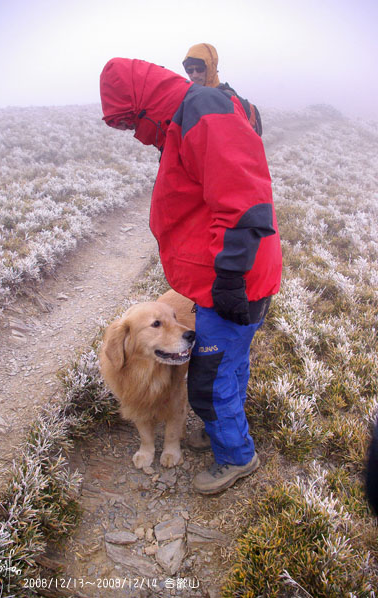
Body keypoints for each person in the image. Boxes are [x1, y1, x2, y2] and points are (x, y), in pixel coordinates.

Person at [100, 58, 282, 494]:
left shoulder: (201, 110)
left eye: (129, 121)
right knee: (230, 368)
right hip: (229, 273)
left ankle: (237, 458)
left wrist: (230, 278)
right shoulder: (188, 116)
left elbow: (242, 198)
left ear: (141, 103)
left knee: (209, 380)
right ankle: (228, 433)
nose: (132, 132)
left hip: (232, 278)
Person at [182, 42, 262, 136]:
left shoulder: (225, 98)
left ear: (211, 68)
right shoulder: (189, 98)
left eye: (200, 69)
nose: (194, 75)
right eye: (189, 70)